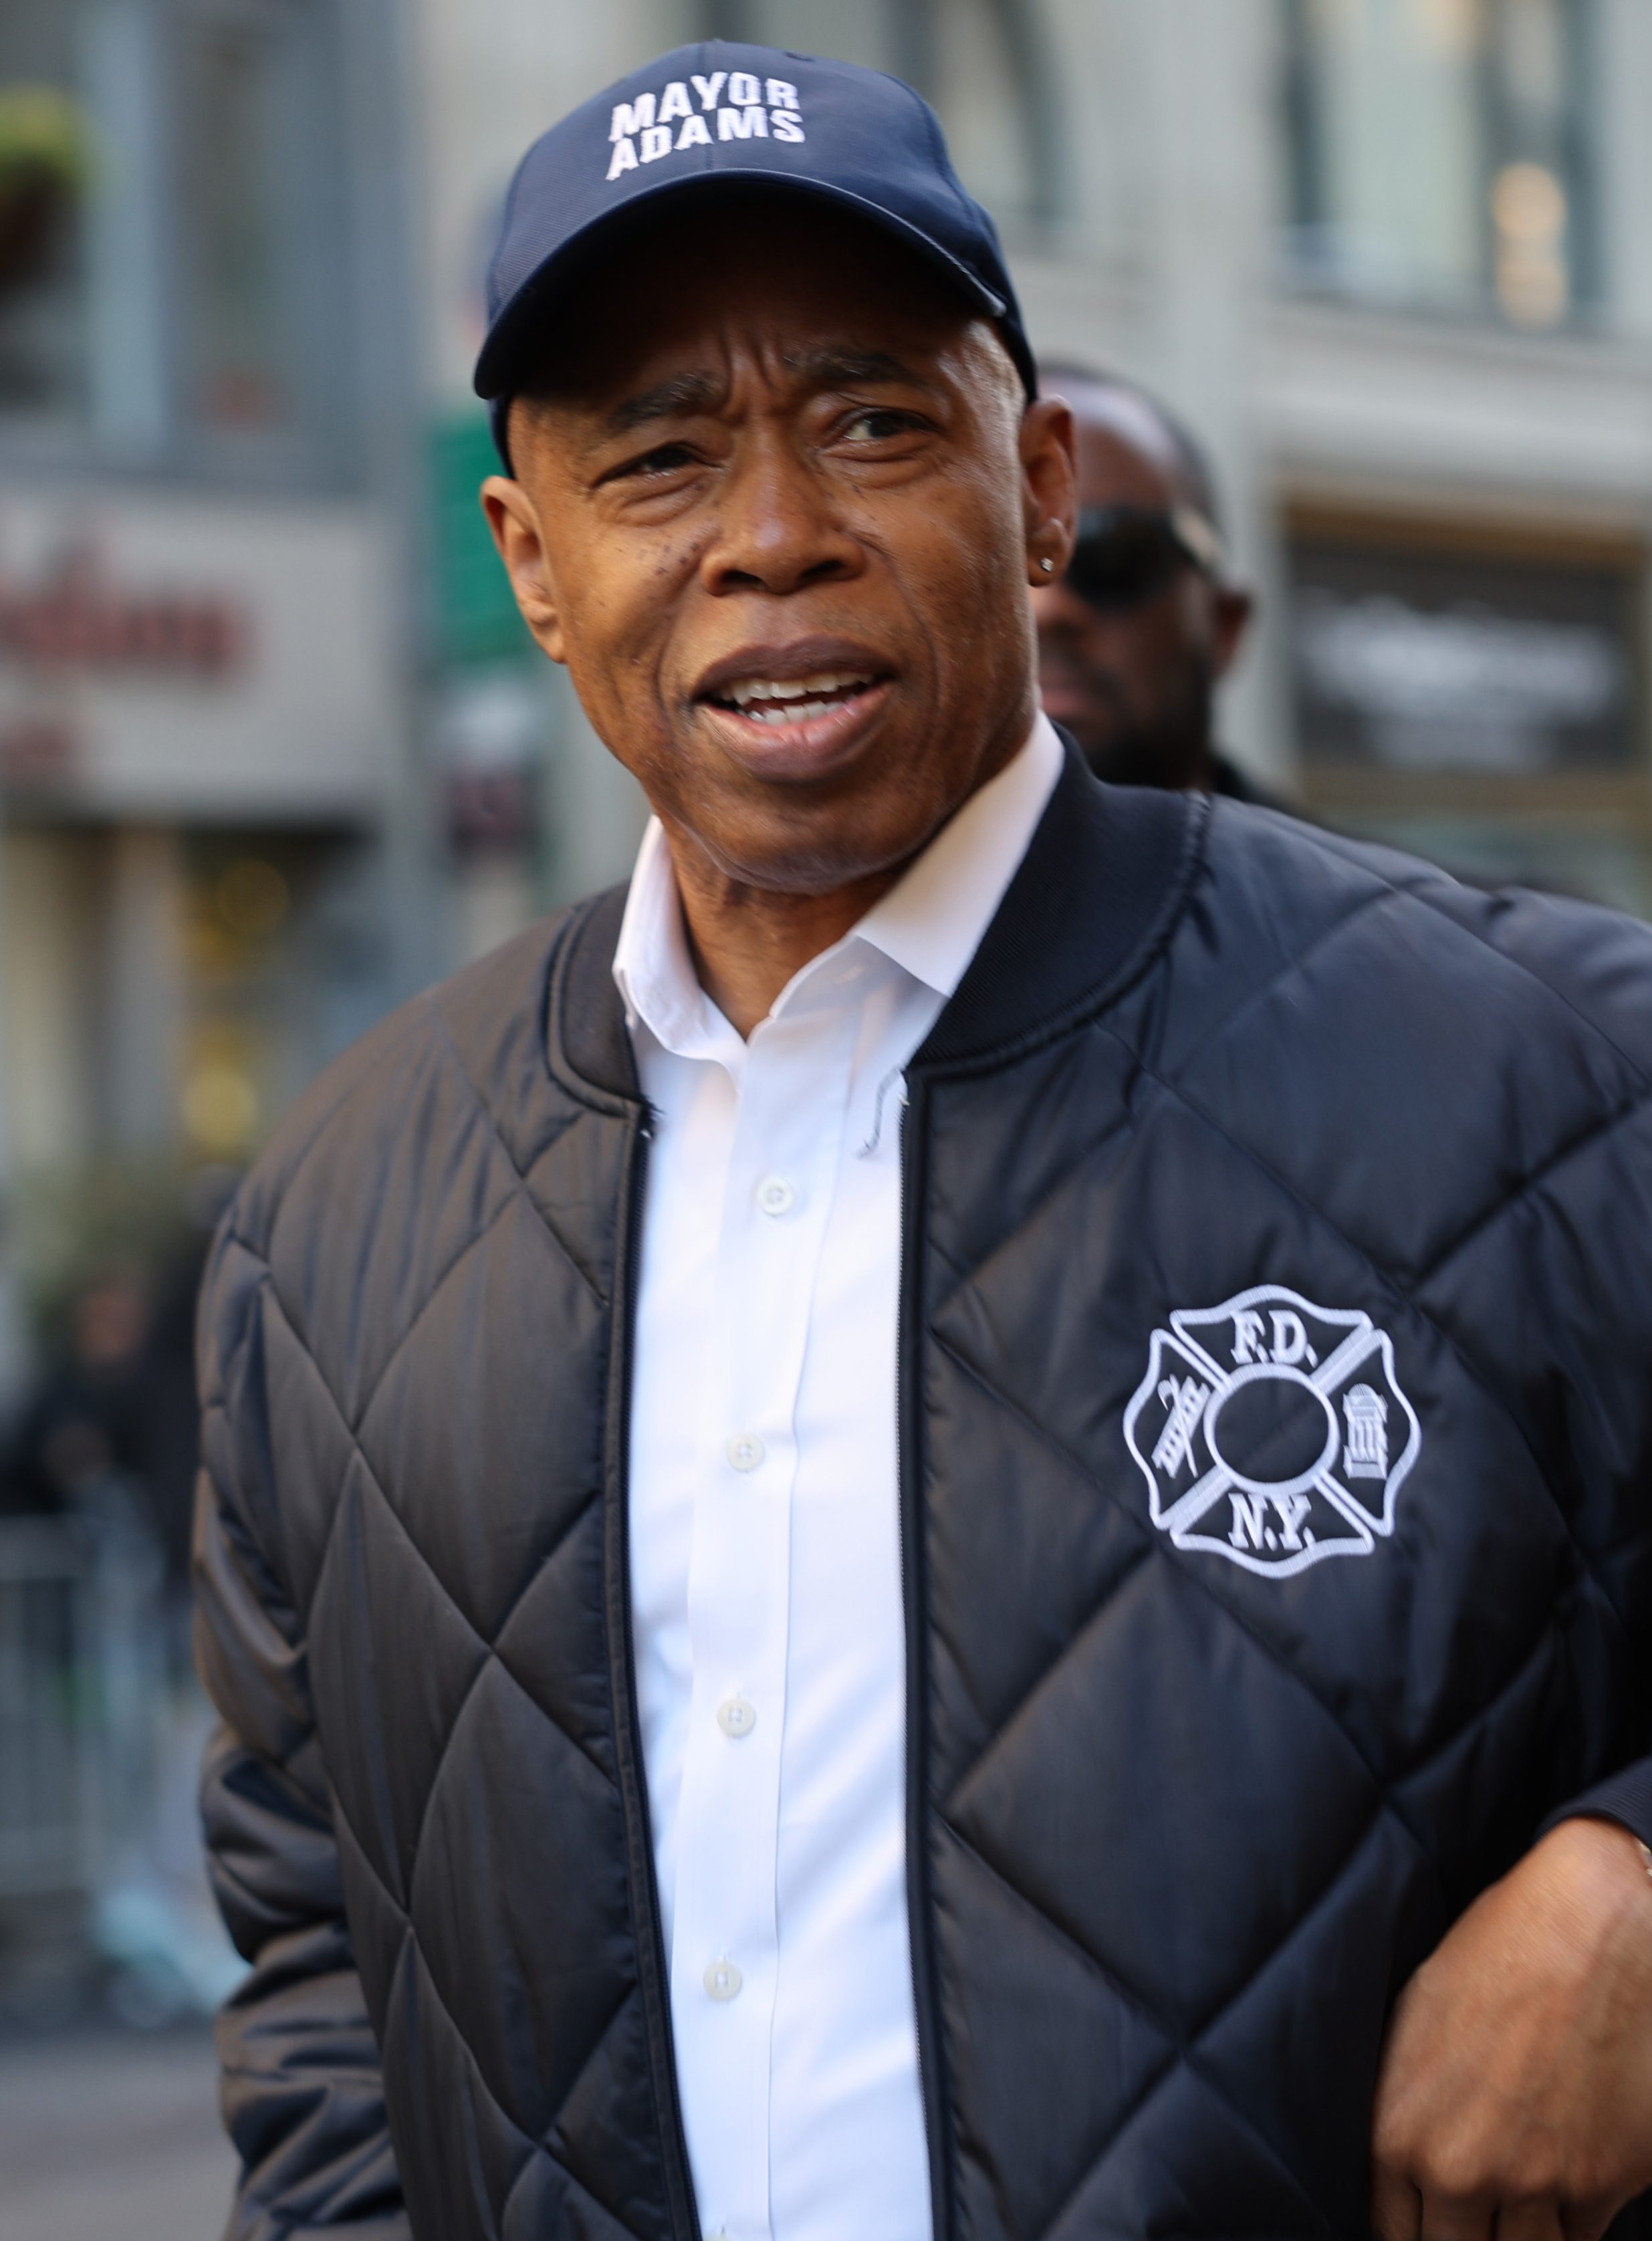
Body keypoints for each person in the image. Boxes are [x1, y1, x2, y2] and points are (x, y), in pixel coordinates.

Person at [193, 41, 1652, 2241]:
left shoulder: (1543, 1058)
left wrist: (1640, 1886)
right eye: (661, 459)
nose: (775, 538)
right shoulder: (336, 1220)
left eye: (875, 422)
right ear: (535, 561)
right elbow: (322, 1957)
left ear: (1039, 481)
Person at [1032, 361, 1273, 800]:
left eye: (1116, 555)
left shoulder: (1380, 874)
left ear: (1222, 625)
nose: (1048, 609)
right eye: (997, 567)